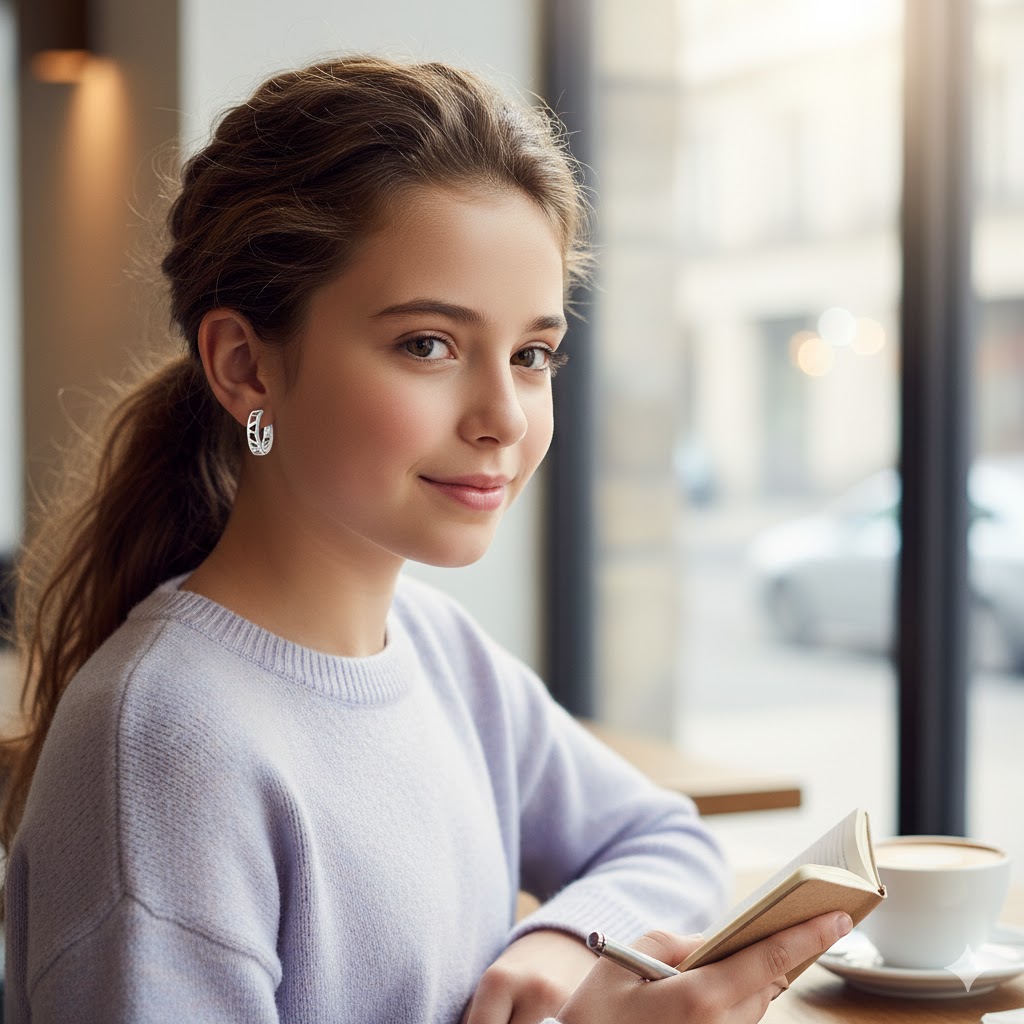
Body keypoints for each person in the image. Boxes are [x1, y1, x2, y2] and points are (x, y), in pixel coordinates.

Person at [0, 54, 850, 1023]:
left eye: (531, 354)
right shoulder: (165, 749)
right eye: (428, 345)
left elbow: (664, 837)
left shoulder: (440, 653)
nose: (502, 416)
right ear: (246, 366)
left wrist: (567, 935)